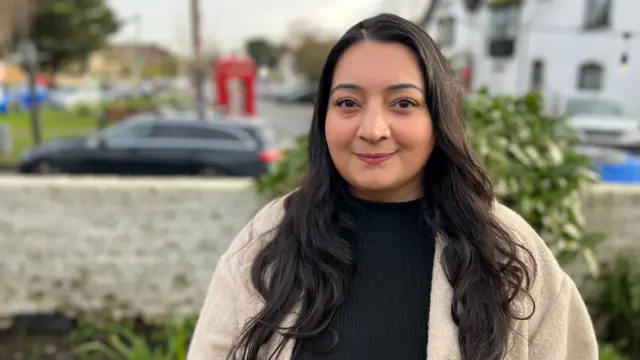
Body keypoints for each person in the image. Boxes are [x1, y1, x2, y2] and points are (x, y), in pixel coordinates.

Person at [188, 13, 597, 360]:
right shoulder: (269, 241)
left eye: (403, 103)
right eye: (348, 103)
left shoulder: (506, 249)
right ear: (323, 118)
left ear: (437, 119)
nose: (373, 130)